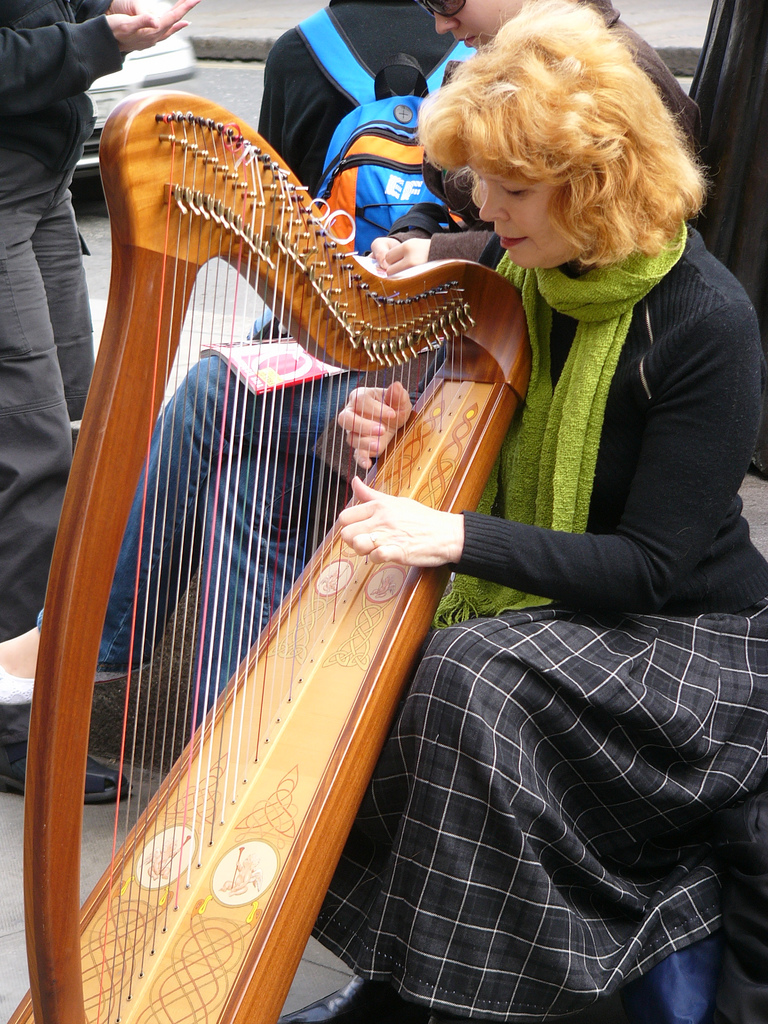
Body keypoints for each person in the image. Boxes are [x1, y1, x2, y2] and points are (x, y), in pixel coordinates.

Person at [277, 1, 768, 1021]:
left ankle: (449, 999)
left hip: (695, 645)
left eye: (512, 188)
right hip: (584, 614)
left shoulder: (706, 321)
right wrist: (371, 430)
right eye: (478, 184)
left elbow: (655, 568)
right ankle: (406, 972)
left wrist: (453, 536)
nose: (485, 210)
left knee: (463, 676)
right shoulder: (524, 270)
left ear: (596, 182)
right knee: (382, 649)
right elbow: (451, 429)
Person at [0, 0, 454, 785]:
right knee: (204, 449)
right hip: (390, 353)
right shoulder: (329, 54)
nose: (444, 27)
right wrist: (412, 237)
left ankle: (83, 650)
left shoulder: (544, 68)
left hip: (446, 366)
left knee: (217, 391)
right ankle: (218, 759)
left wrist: (435, 247)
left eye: (454, 12)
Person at [0, 0, 200, 799]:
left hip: (43, 178)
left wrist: (114, 18)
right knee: (33, 452)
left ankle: (49, 666)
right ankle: (19, 721)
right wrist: (99, 38)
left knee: (85, 428)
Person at [370, 0, 701, 274]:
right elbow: (467, 201)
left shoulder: (617, 81)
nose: (441, 24)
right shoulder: (494, 55)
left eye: (447, 0)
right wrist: (418, 227)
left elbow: (606, 240)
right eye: (426, 5)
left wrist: (445, 252)